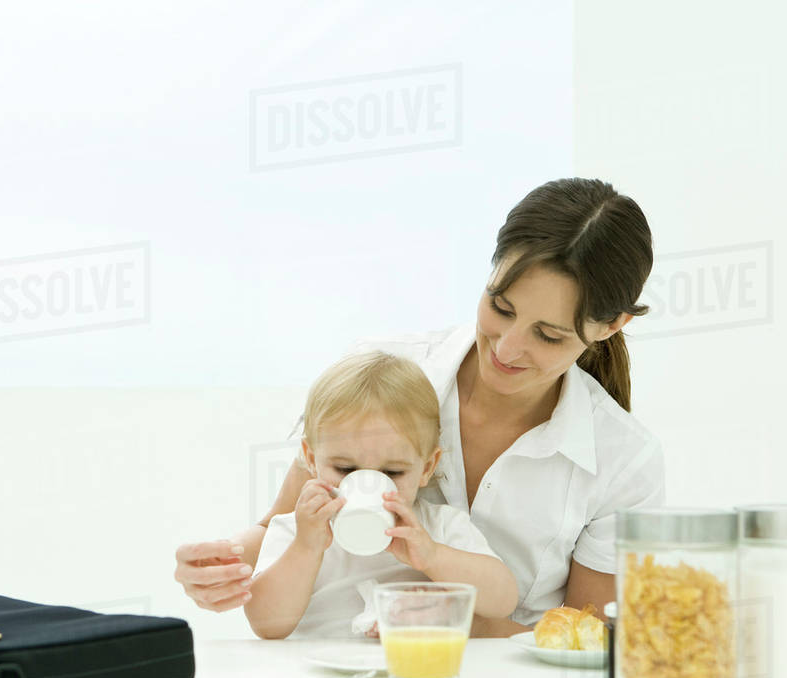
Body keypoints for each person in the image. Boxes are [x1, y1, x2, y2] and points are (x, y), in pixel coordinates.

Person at [174, 177, 664, 637]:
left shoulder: (622, 458)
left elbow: (588, 638)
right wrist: (221, 566)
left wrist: (444, 616)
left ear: (609, 326)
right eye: (501, 307)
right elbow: (279, 528)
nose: (507, 349)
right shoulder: (376, 378)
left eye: (548, 334)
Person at [244, 351, 517, 639]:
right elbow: (266, 625)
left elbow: (503, 601)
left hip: (413, 672)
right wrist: (305, 548)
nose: (366, 485)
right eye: (346, 469)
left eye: (392, 473)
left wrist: (433, 556)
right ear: (311, 459)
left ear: (427, 467)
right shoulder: (294, 531)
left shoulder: (440, 527)